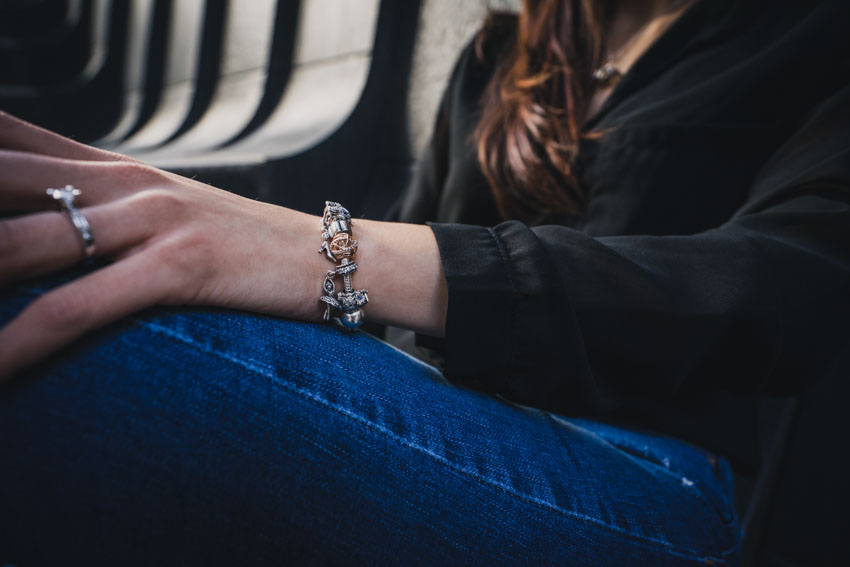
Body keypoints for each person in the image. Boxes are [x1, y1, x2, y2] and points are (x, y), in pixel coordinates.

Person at [1, 0, 848, 564]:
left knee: (99, 335)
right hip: (459, 417)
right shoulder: (498, 57)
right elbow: (393, 314)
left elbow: (787, 286)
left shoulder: (811, 33)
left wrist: (320, 251)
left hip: (672, 485)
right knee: (112, 280)